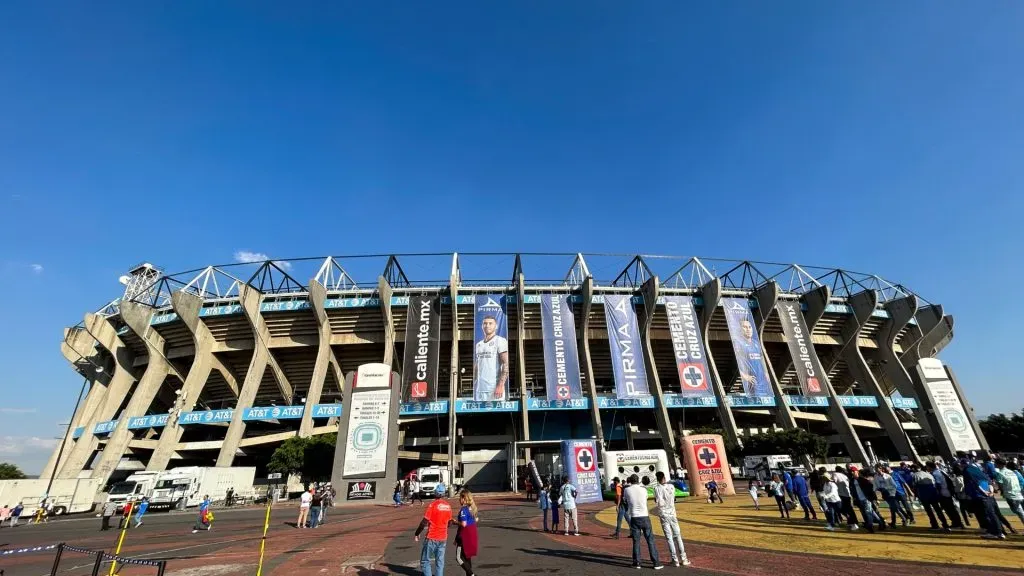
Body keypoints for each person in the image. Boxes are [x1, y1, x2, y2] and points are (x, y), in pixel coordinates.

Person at [960, 453, 1004, 539]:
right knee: (992, 514)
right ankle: (998, 531)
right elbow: (989, 481)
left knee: (988, 514)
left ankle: (995, 532)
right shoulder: (978, 470)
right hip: (988, 495)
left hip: (980, 496)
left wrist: (984, 492)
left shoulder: (967, 470)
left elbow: (974, 483)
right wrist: (990, 491)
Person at [624, 474, 662, 570]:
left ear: (630, 481)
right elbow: (644, 500)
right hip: (644, 516)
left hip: (634, 517)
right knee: (650, 540)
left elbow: (626, 500)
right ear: (638, 480)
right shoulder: (644, 490)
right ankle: (656, 563)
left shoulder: (627, 490)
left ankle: (637, 562)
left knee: (636, 541)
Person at [414, 489, 453, 576]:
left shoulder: (433, 505)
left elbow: (424, 521)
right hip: (443, 537)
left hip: (432, 536)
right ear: (443, 494)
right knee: (440, 562)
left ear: (435, 494)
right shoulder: (448, 506)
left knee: (425, 561)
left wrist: (417, 533)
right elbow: (450, 523)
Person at [654, 471, 690, 567]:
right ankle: (684, 558)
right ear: (664, 477)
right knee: (678, 536)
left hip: (664, 514)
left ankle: (675, 559)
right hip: (672, 513)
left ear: (657, 479)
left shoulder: (657, 488)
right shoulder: (672, 487)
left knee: (669, 537)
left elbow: (659, 502)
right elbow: (673, 498)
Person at [473, 314, 509, 401]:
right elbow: (477, 365)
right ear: (482, 326)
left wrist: (500, 385)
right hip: (480, 390)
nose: (487, 325)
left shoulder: (500, 341)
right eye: (485, 323)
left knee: (496, 414)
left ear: (496, 326)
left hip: (494, 389)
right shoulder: (479, 344)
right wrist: (474, 382)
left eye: (490, 323)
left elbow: (506, 364)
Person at [912, 463, 950, 532]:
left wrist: (915, 495)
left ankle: (935, 525)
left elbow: (915, 486)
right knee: (938, 510)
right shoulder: (928, 474)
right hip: (933, 493)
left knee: (929, 511)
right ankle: (945, 524)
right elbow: (934, 483)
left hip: (924, 494)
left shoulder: (915, 475)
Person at [929, 461, 965, 529]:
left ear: (929, 467)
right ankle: (958, 522)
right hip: (948, 492)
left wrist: (938, 494)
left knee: (948, 509)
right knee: (952, 508)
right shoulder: (941, 471)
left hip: (943, 494)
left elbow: (938, 484)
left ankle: (956, 523)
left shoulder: (935, 473)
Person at [851, 468, 885, 533]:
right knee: (871, 512)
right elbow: (853, 491)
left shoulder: (863, 480)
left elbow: (871, 489)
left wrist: (874, 498)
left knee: (868, 513)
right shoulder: (852, 481)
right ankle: (881, 523)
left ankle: (870, 527)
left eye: (853, 471)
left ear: (857, 471)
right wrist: (855, 499)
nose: (852, 472)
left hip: (866, 499)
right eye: (851, 471)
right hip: (859, 499)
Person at [454, 490, 479, 576]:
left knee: (459, 557)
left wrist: (455, 522)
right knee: (467, 557)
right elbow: (476, 519)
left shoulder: (463, 510)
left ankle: (472, 574)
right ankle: (469, 574)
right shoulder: (472, 508)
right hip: (472, 534)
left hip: (464, 536)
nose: (459, 500)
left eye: (460, 498)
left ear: (464, 498)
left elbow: (463, 524)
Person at [994, 459, 1024, 529]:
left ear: (999, 464)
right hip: (1019, 494)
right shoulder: (1011, 472)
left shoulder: (1000, 473)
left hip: (1011, 495)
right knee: (1021, 512)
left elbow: (1000, 485)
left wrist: (1000, 491)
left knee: (1020, 513)